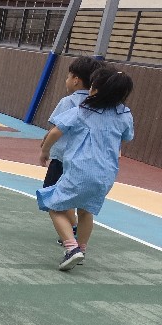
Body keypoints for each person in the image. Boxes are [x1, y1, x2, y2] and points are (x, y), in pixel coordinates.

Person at [37, 66, 134, 271]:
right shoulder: (125, 114)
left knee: (54, 206)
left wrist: (45, 151)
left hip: (80, 170)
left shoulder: (82, 110)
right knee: (86, 211)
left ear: (96, 90)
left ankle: (71, 248)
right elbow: (127, 136)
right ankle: (81, 249)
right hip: (106, 174)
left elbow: (55, 132)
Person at [41, 56, 104, 242]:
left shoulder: (68, 102)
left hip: (62, 158)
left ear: (76, 79)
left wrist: (45, 147)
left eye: (68, 76)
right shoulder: (98, 105)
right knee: (78, 201)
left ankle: (71, 231)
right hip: (86, 161)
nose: (67, 80)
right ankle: (77, 233)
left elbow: (55, 127)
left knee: (53, 195)